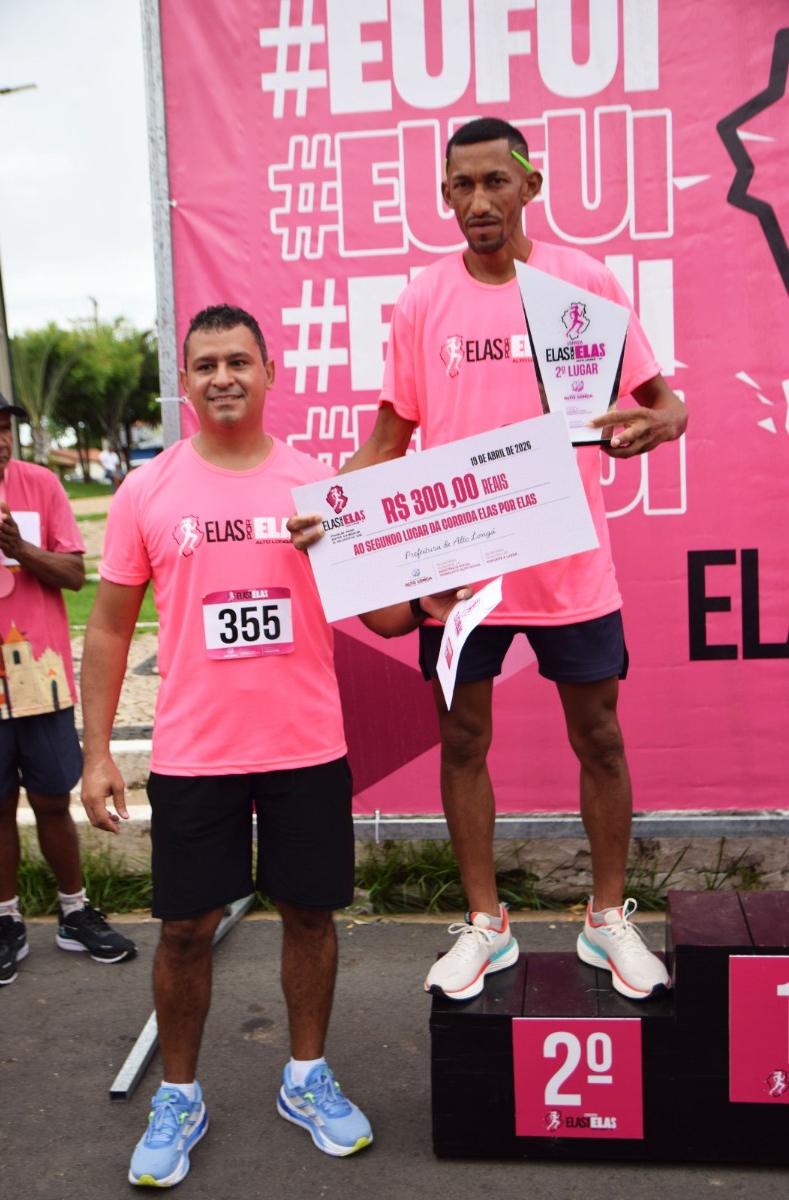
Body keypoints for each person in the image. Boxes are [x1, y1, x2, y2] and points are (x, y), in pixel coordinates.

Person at [289, 117, 688, 1005]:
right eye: (460, 187)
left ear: (529, 184)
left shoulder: (581, 284)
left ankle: (607, 918)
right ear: (444, 198)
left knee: (602, 739)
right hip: (462, 576)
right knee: (463, 740)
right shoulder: (423, 300)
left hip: (571, 569)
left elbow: (666, 405)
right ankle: (485, 924)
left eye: (494, 183)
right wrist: (326, 509)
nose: (478, 202)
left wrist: (653, 425)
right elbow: (390, 438)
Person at [80, 305, 391, 1188]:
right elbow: (107, 629)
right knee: (184, 929)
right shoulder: (149, 490)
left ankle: (306, 1077)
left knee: (310, 914)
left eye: (239, 361)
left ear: (270, 372)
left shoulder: (316, 485)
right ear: (184, 381)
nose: (223, 376)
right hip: (194, 754)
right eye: (205, 363)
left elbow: (382, 609)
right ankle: (179, 1093)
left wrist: (426, 575)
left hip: (303, 745)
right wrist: (98, 751)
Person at [0, 387, 136, 988]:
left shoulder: (42, 486)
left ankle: (74, 910)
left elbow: (76, 574)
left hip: (39, 675)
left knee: (52, 798)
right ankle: (5, 922)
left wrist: (20, 550)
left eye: (5, 428)